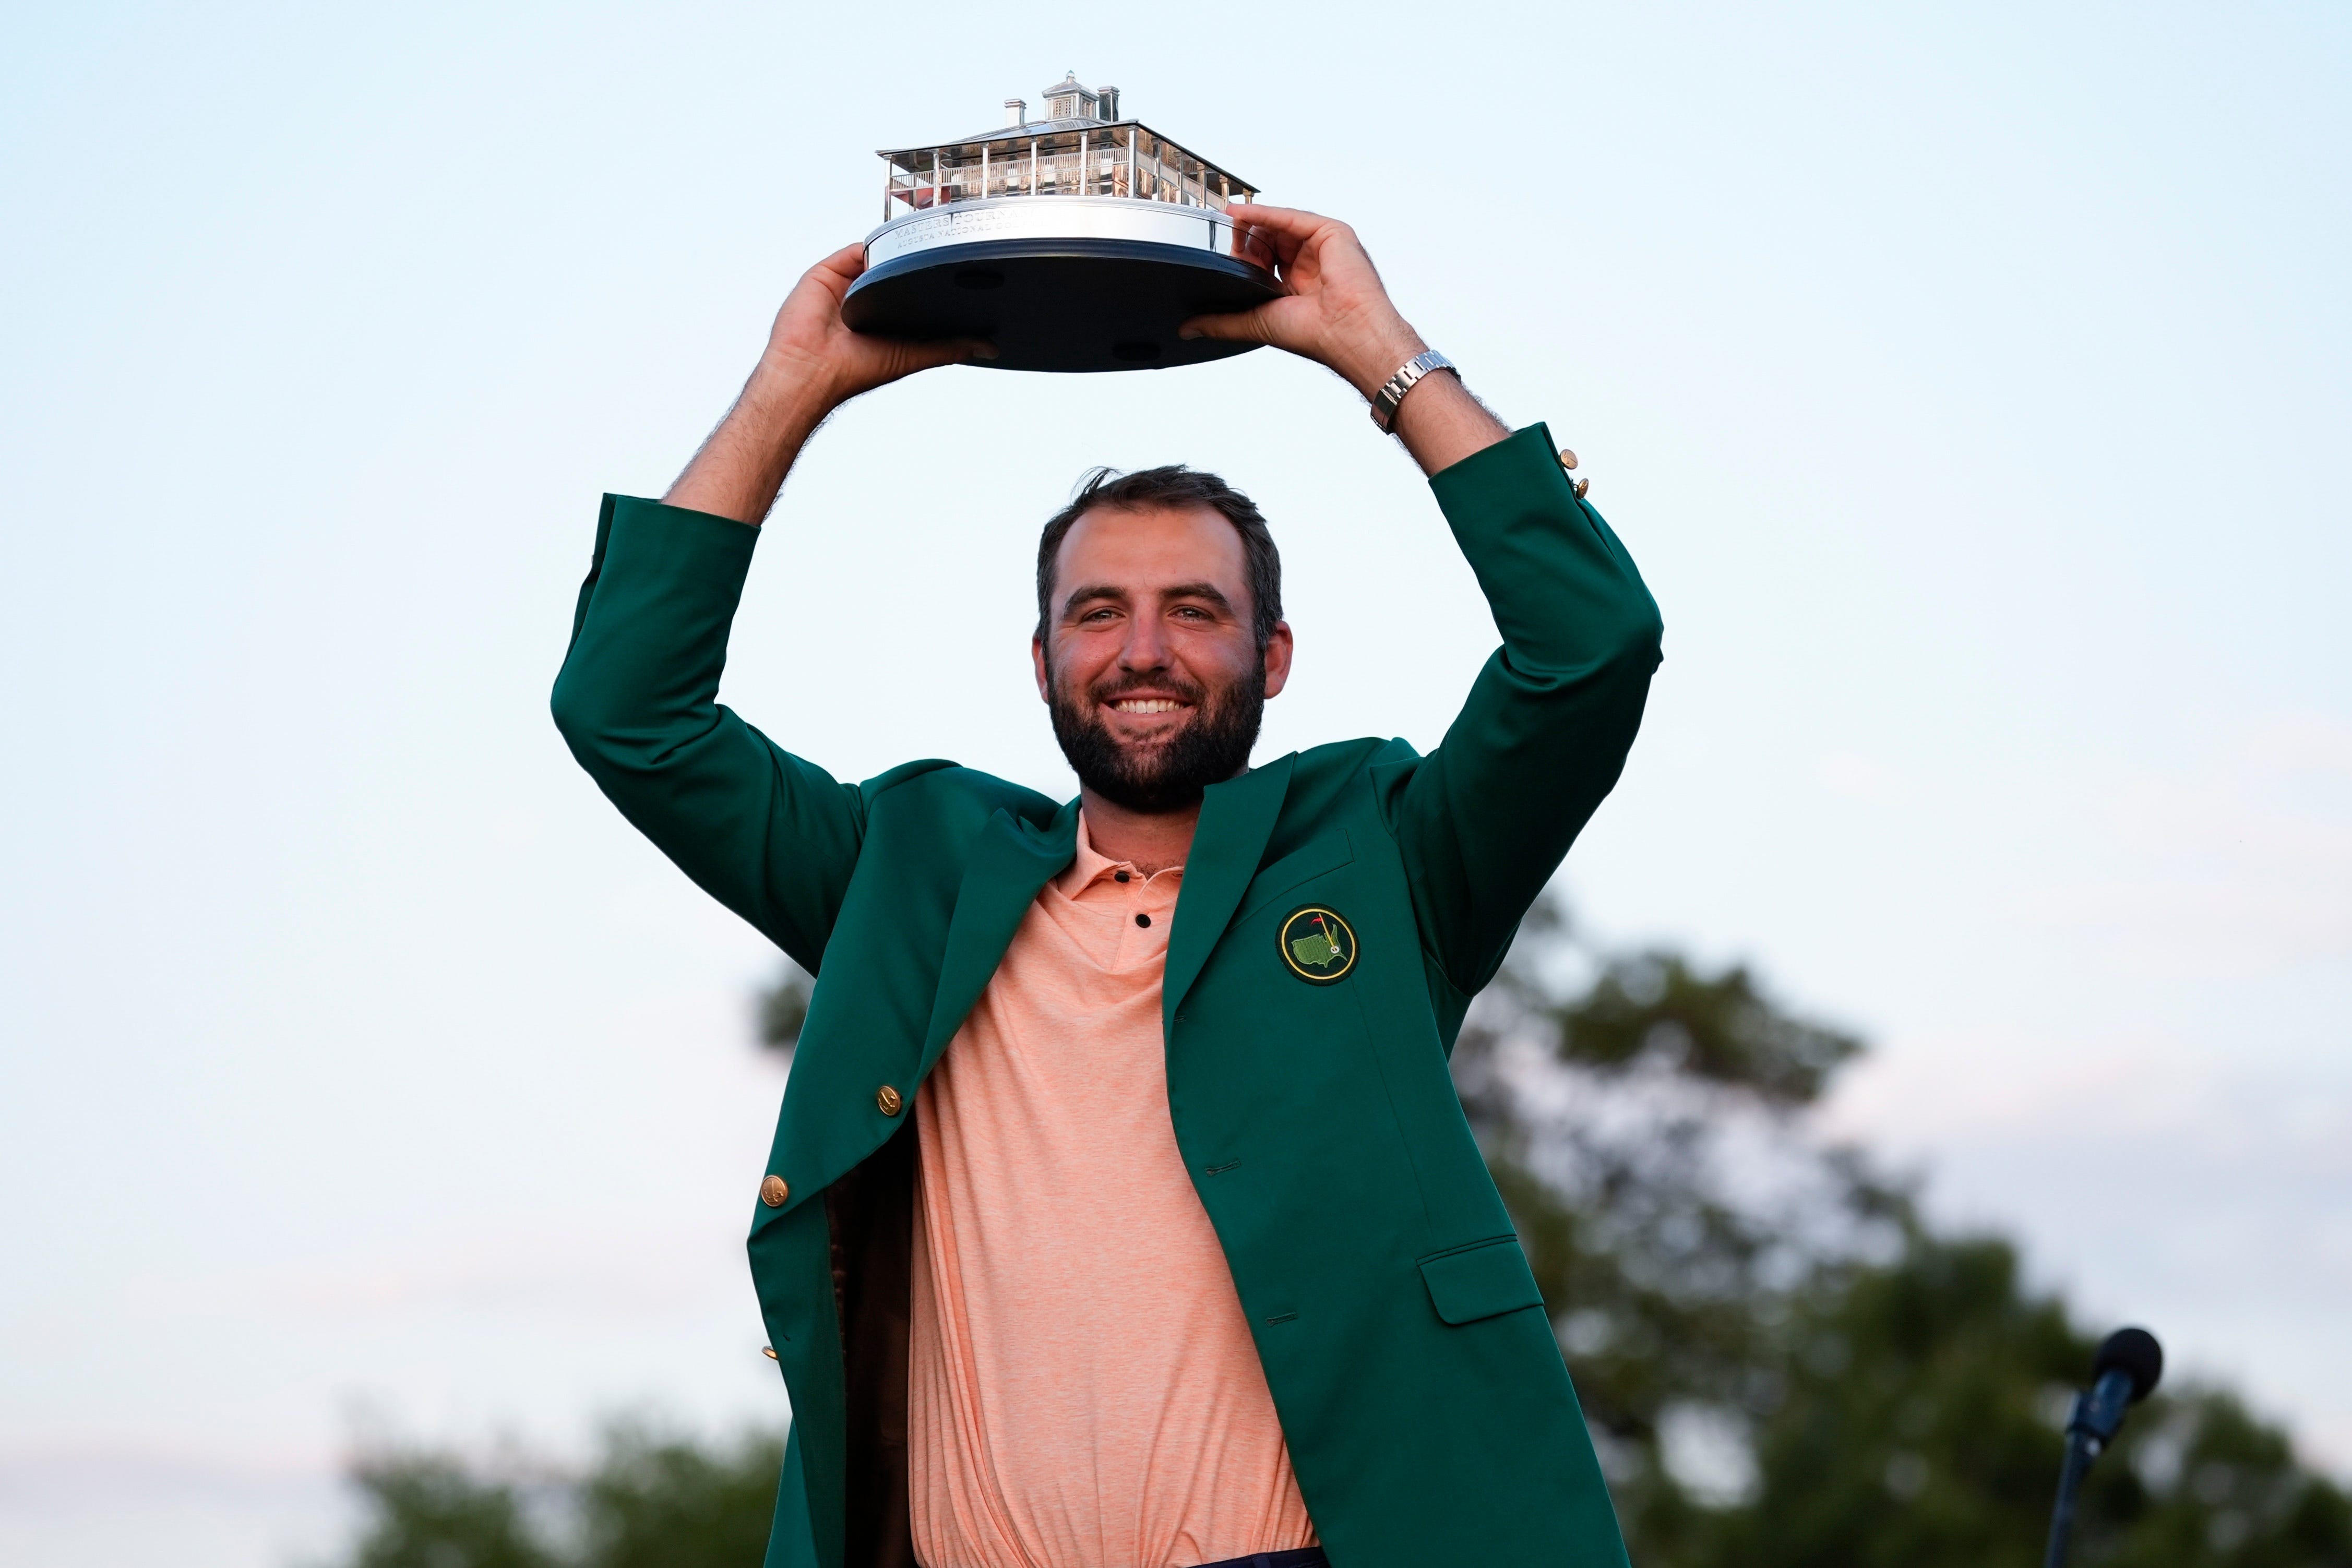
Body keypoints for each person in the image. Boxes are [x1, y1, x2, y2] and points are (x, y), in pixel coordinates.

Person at [552, 203, 1663, 1568]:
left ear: (1273, 656)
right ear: (1041, 663)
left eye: (1194, 610)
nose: (1144, 650)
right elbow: (627, 712)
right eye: (1098, 613)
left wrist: (1369, 350)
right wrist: (800, 384)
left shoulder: (1384, 853)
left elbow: (1590, 650)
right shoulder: (903, 872)